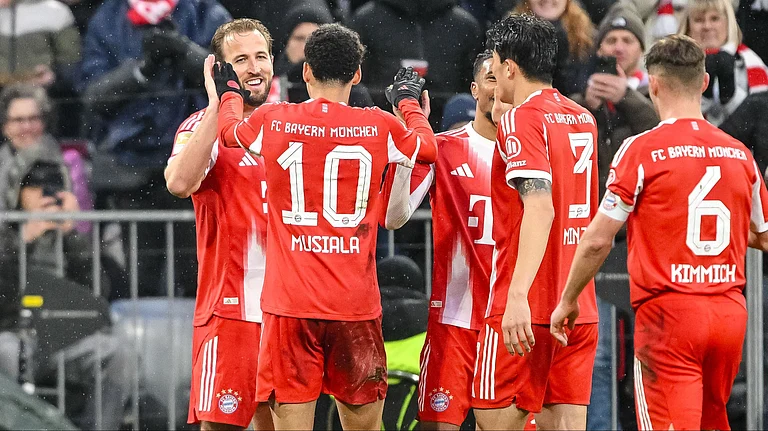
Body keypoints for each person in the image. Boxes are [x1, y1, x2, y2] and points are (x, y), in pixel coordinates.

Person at [210, 23, 438, 430]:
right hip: (354, 307)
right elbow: (428, 148)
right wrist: (408, 104)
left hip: (290, 308)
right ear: (357, 75)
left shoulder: (274, 119)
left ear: (306, 71)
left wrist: (229, 93)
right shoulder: (378, 125)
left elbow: (228, 134)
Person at [550, 34, 768, 430]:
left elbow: (597, 240)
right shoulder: (739, 154)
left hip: (671, 317)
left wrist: (568, 299)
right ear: (704, 82)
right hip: (728, 314)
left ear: (652, 84)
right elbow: (763, 236)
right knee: (712, 422)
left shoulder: (641, 150)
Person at [472, 14, 599, 431]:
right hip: (577, 305)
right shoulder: (582, 117)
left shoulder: (520, 120)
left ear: (510, 67)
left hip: (528, 306)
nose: (493, 73)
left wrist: (517, 296)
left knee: (491, 421)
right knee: (565, 424)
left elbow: (541, 208)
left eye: (495, 64)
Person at [381, 50, 513, 430]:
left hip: (513, 323)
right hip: (455, 323)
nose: (499, 89)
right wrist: (407, 141)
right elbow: (394, 216)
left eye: (506, 78)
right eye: (490, 78)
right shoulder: (443, 148)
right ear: (475, 89)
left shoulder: (536, 153)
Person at [164, 18, 275, 431]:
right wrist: (218, 107)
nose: (254, 68)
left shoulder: (290, 126)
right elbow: (178, 183)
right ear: (220, 69)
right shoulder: (201, 127)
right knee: (222, 426)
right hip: (231, 311)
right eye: (240, 60)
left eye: (261, 57)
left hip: (289, 311)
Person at [678, 0, 768, 127]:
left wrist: (730, 96)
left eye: (714, 19)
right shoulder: (674, 64)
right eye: (699, 20)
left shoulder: (751, 63)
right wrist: (703, 97)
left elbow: (760, 119)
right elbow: (671, 116)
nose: (707, 26)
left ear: (728, 22)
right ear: (688, 26)